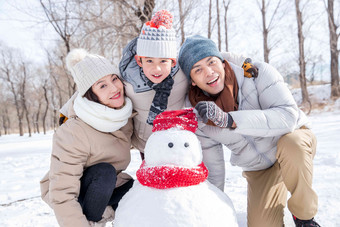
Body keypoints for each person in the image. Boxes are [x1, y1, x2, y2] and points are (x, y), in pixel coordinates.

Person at [178, 35, 320, 227]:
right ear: (192, 81)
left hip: (292, 140)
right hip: (260, 167)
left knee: (292, 144)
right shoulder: (199, 115)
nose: (209, 72)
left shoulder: (257, 74)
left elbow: (288, 117)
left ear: (222, 61)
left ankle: (304, 218)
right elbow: (214, 168)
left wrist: (230, 120)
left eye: (211, 62)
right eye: (198, 70)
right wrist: (209, 209)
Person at [119, 9, 247, 161]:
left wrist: (245, 62)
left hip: (180, 141)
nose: (157, 69)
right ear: (139, 60)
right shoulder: (126, 80)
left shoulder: (181, 72)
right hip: (147, 143)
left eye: (163, 61)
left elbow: (211, 56)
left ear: (173, 61)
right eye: (149, 61)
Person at [40, 49, 134, 227]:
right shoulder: (75, 131)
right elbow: (63, 194)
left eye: (114, 79)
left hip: (106, 187)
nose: (114, 88)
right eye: (102, 85)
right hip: (72, 190)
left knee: (137, 190)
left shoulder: (122, 115)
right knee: (104, 173)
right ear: (90, 95)